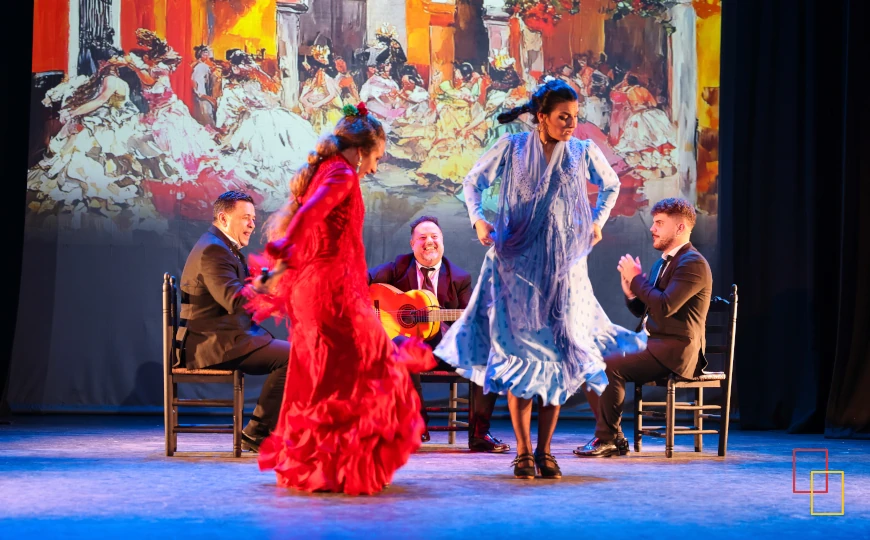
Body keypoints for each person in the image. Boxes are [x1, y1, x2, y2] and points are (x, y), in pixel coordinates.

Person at [434, 80, 645, 479]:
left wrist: (596, 222)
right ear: (542, 117)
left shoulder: (581, 151)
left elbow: (611, 184)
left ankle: (546, 451)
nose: (571, 124)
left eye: (575, 117)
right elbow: (473, 182)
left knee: (556, 358)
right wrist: (479, 220)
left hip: (563, 268)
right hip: (516, 265)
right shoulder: (512, 148)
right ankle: (523, 451)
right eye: (563, 117)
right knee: (520, 356)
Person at [246, 103, 435, 495]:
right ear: (362, 151)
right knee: (370, 366)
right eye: (377, 159)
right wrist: (280, 260)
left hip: (320, 290)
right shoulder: (342, 175)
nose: (375, 168)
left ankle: (327, 466)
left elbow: (309, 218)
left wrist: (282, 267)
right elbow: (310, 216)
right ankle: (339, 466)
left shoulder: (328, 170)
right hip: (331, 292)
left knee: (329, 377)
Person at [574, 198, 712, 457]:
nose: (652, 228)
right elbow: (648, 309)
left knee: (609, 366)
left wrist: (637, 279)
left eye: (659, 223)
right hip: (653, 343)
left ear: (680, 227)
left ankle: (607, 438)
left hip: (675, 351)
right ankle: (614, 436)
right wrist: (631, 293)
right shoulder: (663, 263)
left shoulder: (692, 263)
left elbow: (665, 306)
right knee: (592, 353)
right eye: (653, 222)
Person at [369, 216, 510, 453]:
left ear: (442, 241)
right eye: (422, 237)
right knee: (402, 344)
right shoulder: (399, 267)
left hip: (444, 349)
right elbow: (361, 279)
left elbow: (469, 323)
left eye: (434, 237)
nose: (429, 242)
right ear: (412, 244)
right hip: (405, 351)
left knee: (487, 355)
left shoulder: (458, 278)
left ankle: (479, 434)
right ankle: (417, 424)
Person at [177, 191, 290, 453]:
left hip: (227, 335)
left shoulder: (220, 246)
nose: (252, 224)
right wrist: (265, 283)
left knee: (294, 352)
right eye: (245, 218)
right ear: (223, 218)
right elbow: (234, 300)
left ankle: (271, 429)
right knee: (293, 358)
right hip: (212, 343)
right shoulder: (213, 250)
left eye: (253, 218)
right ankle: (257, 433)